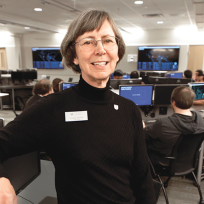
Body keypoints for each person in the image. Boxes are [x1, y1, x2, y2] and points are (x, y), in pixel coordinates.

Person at [0, 9, 155, 204]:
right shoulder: (53, 108)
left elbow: (143, 180)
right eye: (88, 41)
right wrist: (2, 179)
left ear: (117, 50)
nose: (100, 49)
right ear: (74, 56)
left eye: (108, 40)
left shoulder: (129, 109)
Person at [144, 86, 204, 171]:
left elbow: (143, 135)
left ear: (173, 102)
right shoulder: (199, 118)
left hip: (163, 160)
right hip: (188, 161)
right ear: (192, 101)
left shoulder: (163, 123)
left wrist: (142, 126)